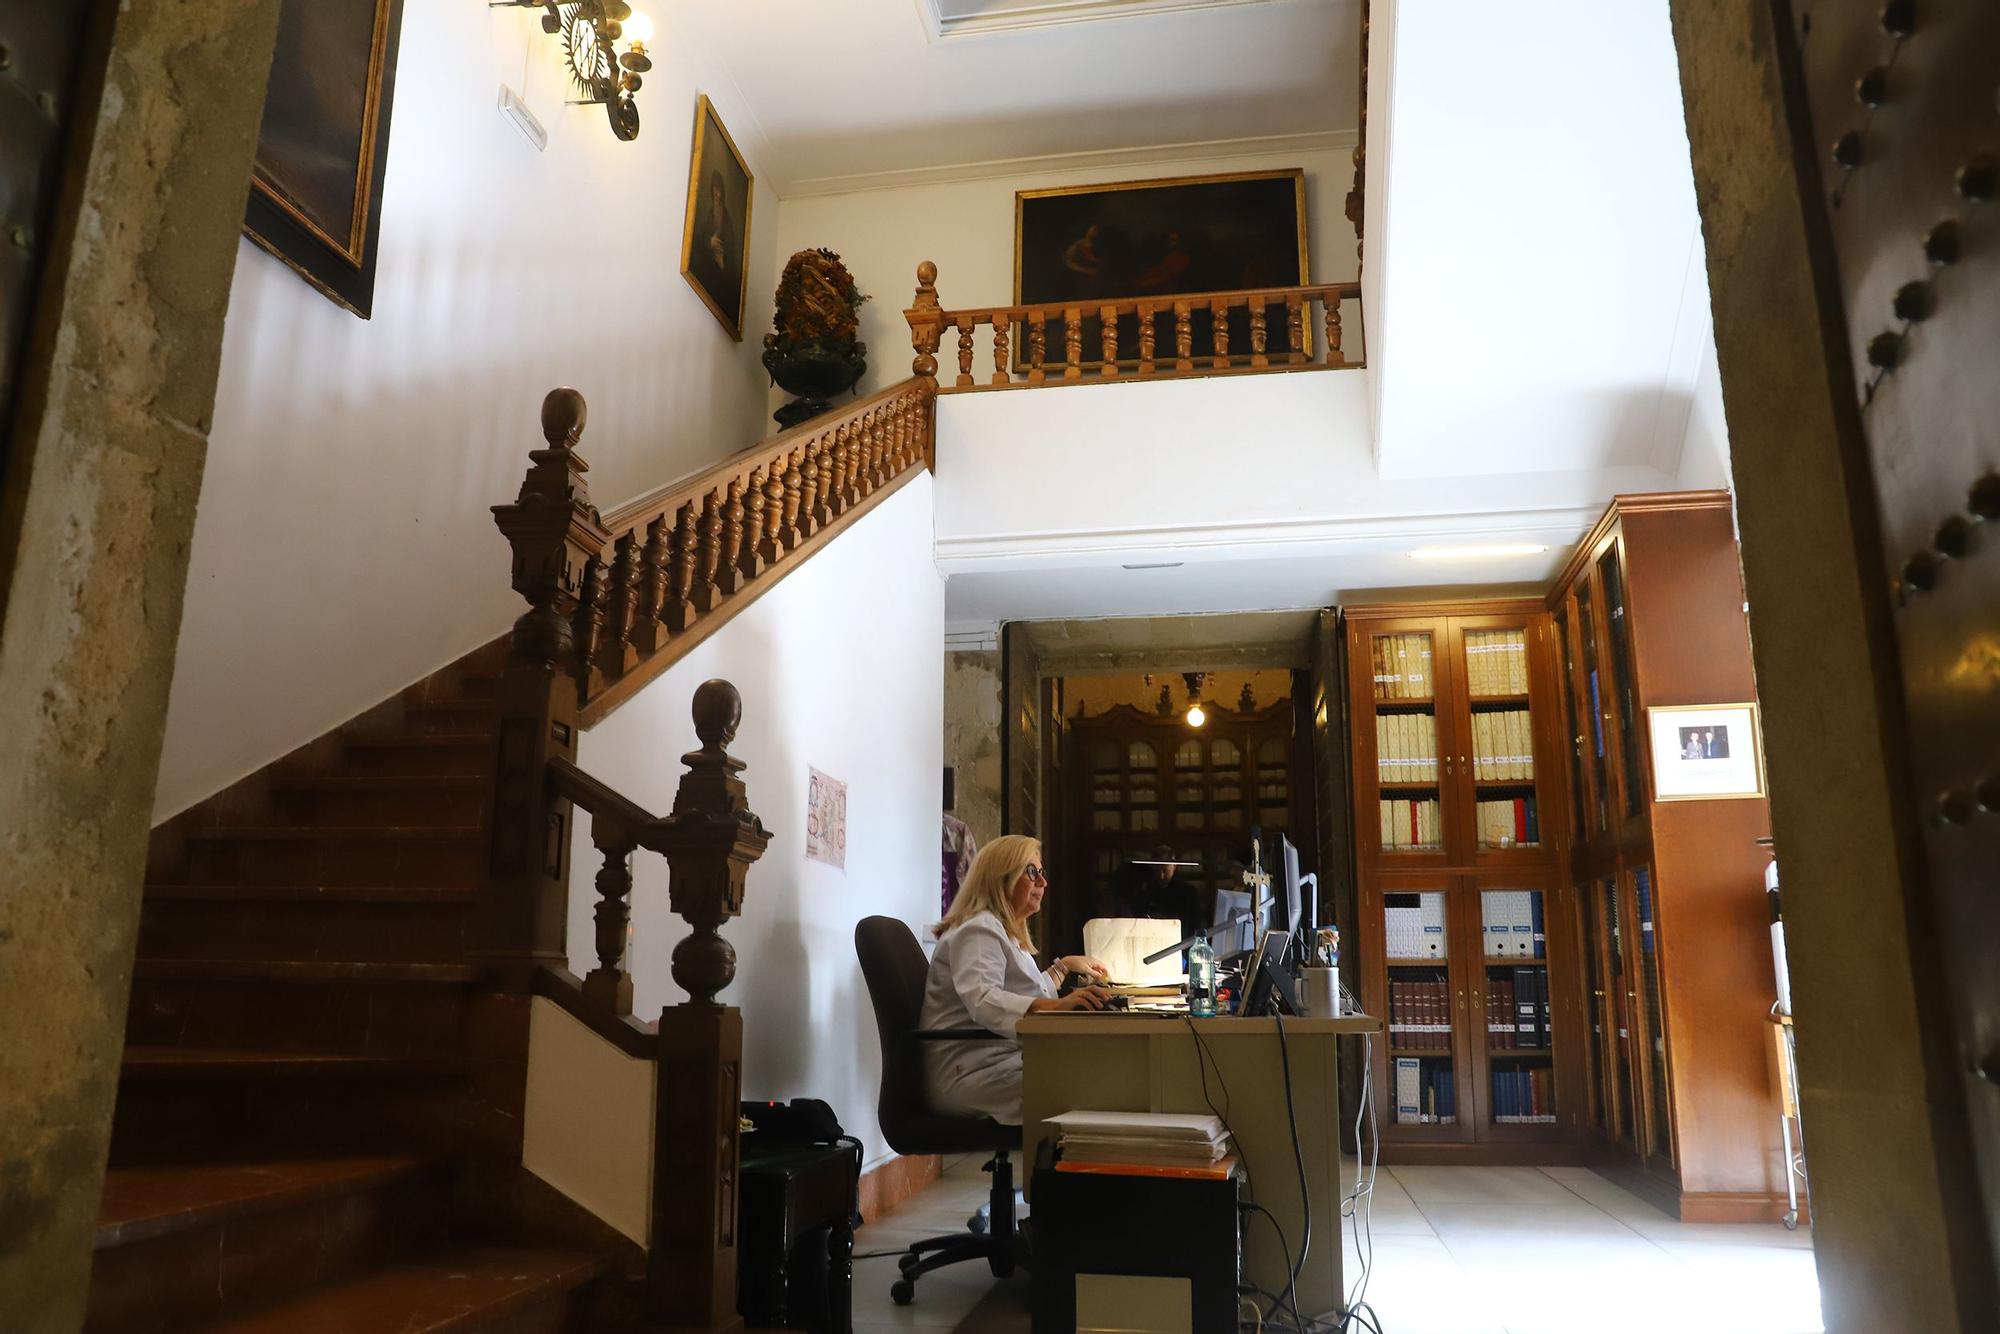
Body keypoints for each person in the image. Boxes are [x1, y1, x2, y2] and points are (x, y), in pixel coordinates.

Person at [920, 834, 1112, 1125]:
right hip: (970, 1073)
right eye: (1031, 872)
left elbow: (1024, 990)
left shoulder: (1001, 931)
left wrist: (1064, 967)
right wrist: (1058, 1007)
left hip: (995, 1062)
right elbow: (985, 1000)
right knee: (1091, 1086)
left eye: (1042, 873)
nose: (1042, 883)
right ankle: (1061, 1167)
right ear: (1000, 878)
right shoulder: (979, 930)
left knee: (1091, 1076)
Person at [1108, 845, 1203, 941]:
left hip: (1181, 942)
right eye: (1157, 871)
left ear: (1174, 866)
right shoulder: (1145, 890)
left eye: (1165, 871)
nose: (1161, 876)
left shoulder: (1188, 892)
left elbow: (1195, 924)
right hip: (1151, 940)